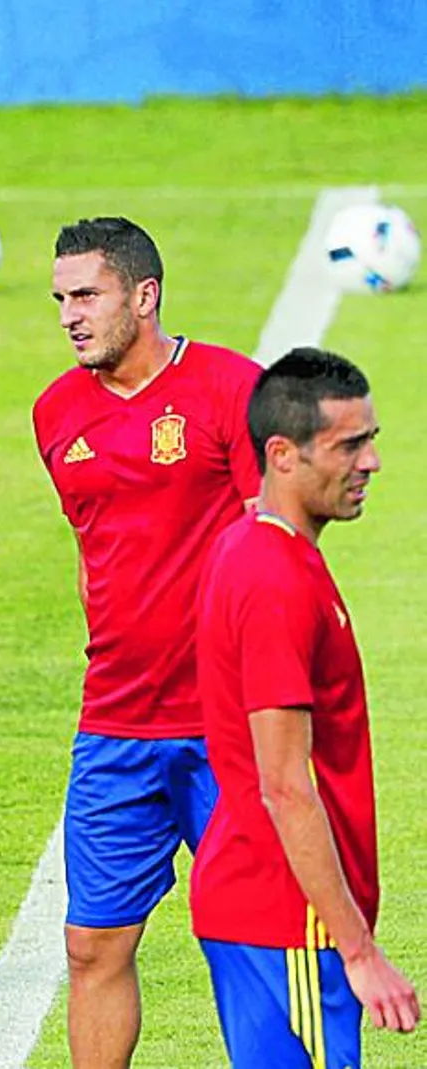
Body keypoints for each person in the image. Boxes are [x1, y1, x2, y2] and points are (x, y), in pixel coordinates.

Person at [30, 217, 263, 1068]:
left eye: (86, 294)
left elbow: (275, 547)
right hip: (116, 725)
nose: (68, 315)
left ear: (144, 294)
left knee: (252, 941)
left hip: (231, 726)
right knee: (93, 945)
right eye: (59, 298)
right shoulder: (55, 412)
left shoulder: (232, 389)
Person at [193, 348, 417, 1066]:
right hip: (289, 919)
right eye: (350, 444)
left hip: (267, 908)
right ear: (282, 454)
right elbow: (286, 783)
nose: (372, 461)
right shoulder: (274, 582)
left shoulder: (257, 547)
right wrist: (359, 951)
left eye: (371, 438)